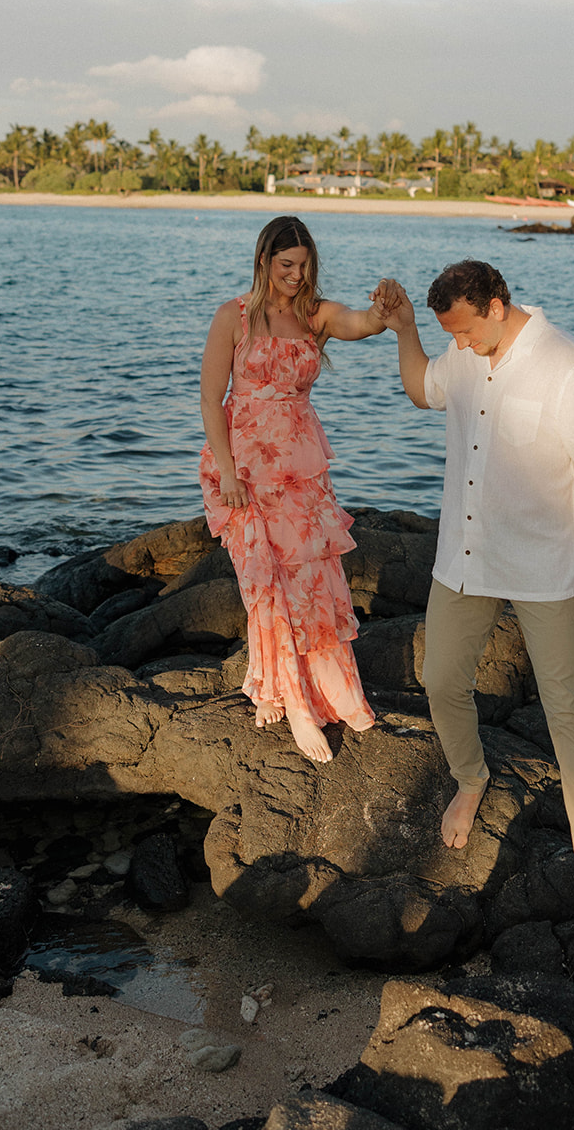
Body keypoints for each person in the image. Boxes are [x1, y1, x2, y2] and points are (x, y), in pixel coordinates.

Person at [375, 260, 574, 959]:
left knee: (567, 714)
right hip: (465, 557)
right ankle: (470, 778)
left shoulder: (563, 364)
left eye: (462, 330)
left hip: (547, 568)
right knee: (440, 679)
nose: (454, 345)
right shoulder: (460, 352)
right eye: (445, 333)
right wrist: (403, 331)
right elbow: (422, 388)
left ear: (495, 306)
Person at [199, 215, 382, 764]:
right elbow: (211, 401)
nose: (296, 275)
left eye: (303, 266)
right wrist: (228, 471)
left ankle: (328, 693)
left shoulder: (314, 315)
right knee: (266, 583)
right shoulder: (233, 317)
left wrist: (384, 313)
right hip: (247, 471)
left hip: (301, 470)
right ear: (264, 262)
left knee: (315, 582)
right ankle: (297, 706)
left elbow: (359, 322)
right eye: (286, 266)